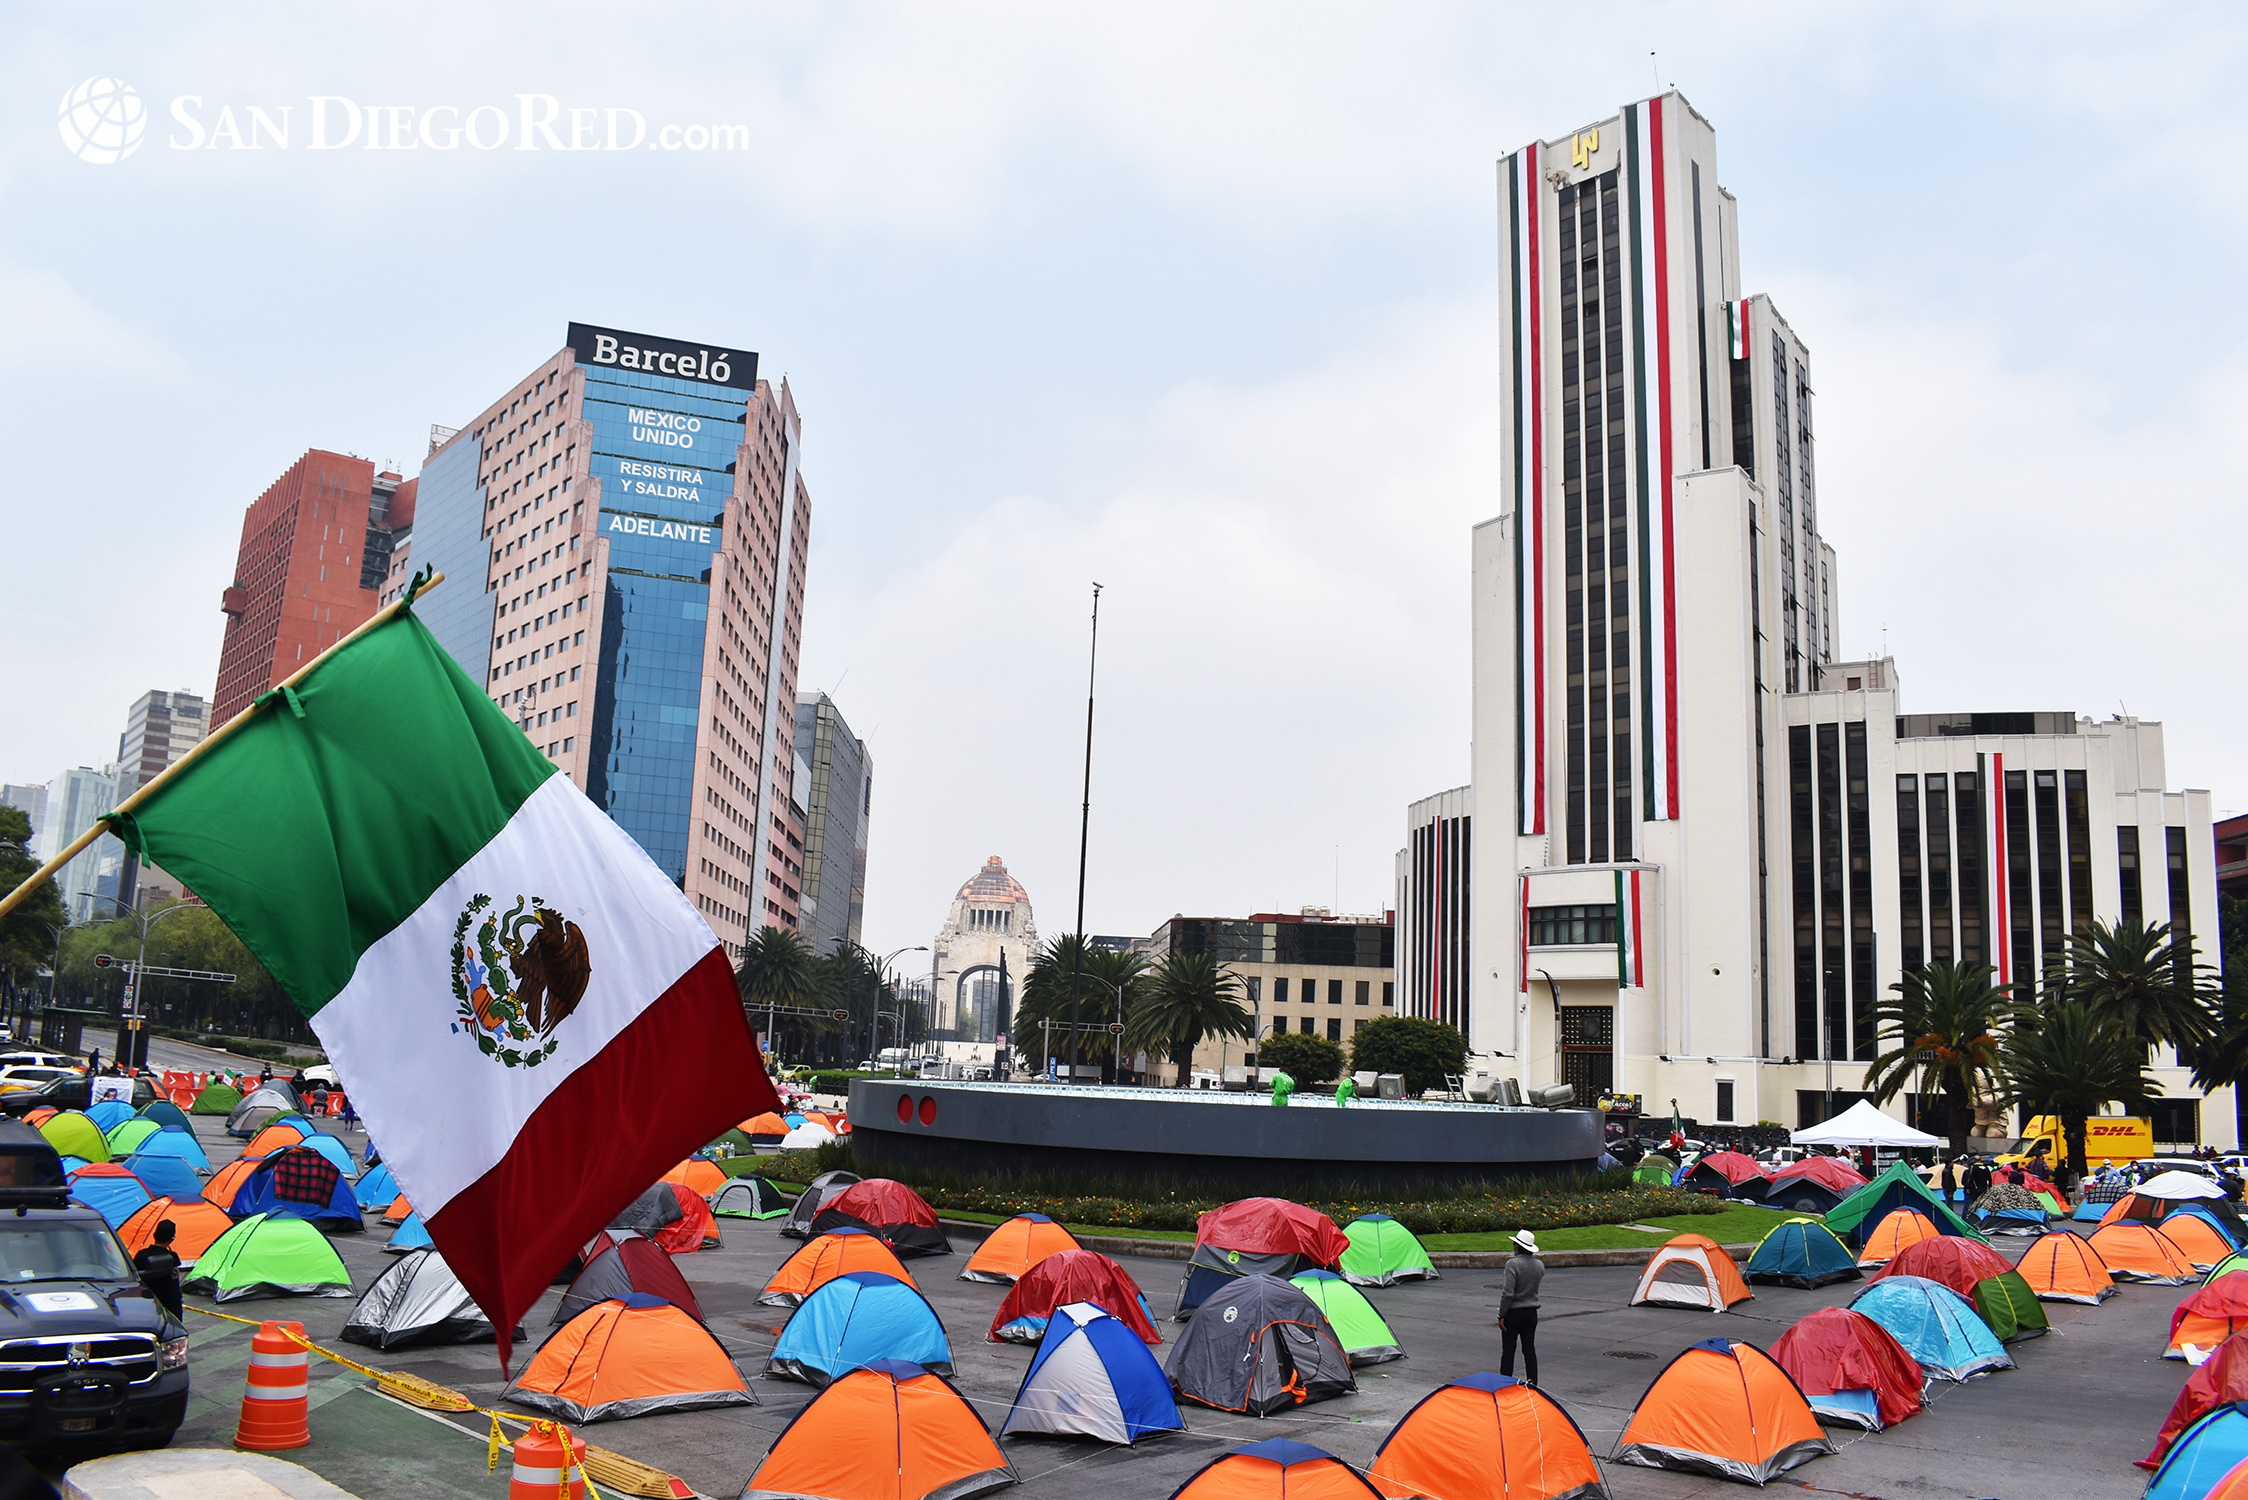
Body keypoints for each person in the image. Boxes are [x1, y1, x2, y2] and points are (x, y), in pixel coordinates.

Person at [1495, 1229, 1543, 1387]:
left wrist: (1501, 1314)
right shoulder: (1539, 1265)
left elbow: (1508, 1293)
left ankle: (1504, 1384)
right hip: (1531, 1312)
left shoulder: (1513, 1264)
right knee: (1529, 1349)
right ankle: (1533, 1384)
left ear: (1517, 1246)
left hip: (1514, 1313)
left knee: (1509, 1350)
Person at [133, 1220, 183, 1319]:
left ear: (154, 1235)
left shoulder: (141, 1255)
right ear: (172, 1239)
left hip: (145, 1304)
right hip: (168, 1308)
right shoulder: (172, 1258)